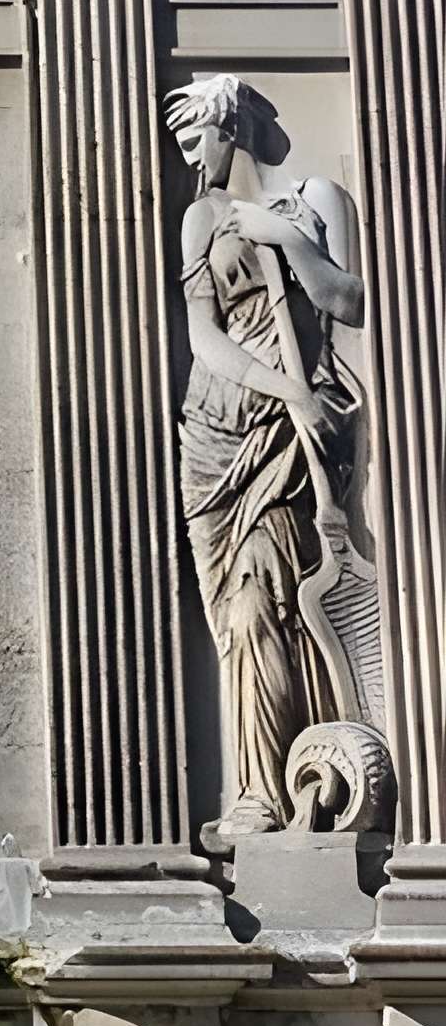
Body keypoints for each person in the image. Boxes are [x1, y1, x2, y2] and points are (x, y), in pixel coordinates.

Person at [164, 75, 364, 835]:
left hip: (289, 443)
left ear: (231, 129)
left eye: (196, 141)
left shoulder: (315, 198)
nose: (191, 159)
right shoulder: (199, 219)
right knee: (233, 614)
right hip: (217, 433)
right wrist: (284, 387)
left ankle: (266, 791)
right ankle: (261, 784)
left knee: (266, 603)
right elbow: (204, 336)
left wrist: (286, 239)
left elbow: (348, 301)